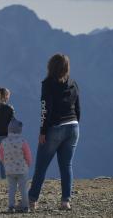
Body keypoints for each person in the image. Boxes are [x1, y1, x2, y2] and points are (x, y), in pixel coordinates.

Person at [28, 53, 81, 211]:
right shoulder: (73, 83)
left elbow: (45, 109)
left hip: (55, 127)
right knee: (66, 165)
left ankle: (32, 200)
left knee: (41, 166)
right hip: (73, 127)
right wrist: (75, 123)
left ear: (51, 66)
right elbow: (78, 108)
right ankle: (66, 201)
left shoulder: (48, 83)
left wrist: (43, 131)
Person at [0, 119, 32, 213]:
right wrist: (28, 164)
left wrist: (5, 163)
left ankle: (11, 206)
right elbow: (28, 155)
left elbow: (1, 156)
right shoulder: (23, 142)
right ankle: (25, 207)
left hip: (9, 170)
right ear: (20, 130)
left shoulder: (4, 142)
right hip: (22, 170)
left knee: (12, 189)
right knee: (23, 189)